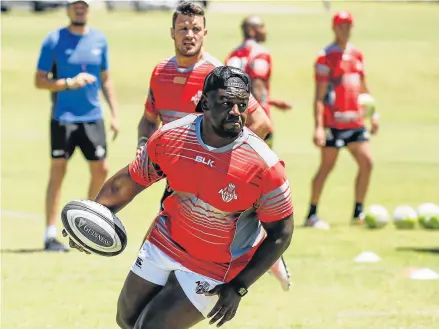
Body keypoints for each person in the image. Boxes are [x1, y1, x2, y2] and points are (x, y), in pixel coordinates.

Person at [66, 66, 295, 329]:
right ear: (205, 103)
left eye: (242, 105)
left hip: (216, 267)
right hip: (165, 243)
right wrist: (88, 223)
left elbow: (281, 233)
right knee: (126, 320)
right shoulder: (171, 137)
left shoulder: (264, 166)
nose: (235, 112)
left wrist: (239, 286)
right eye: (226, 103)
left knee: (150, 327)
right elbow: (125, 184)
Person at [136, 2, 290, 290]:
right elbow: (147, 120)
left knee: (163, 247)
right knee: (162, 249)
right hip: (177, 175)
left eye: (195, 29)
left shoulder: (217, 74)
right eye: (183, 28)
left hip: (205, 178)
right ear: (172, 32)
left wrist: (223, 159)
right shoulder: (160, 72)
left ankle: (259, 248)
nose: (189, 34)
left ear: (205, 32)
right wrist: (143, 144)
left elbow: (261, 122)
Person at [35, 0, 120, 251]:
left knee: (101, 169)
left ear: (88, 9)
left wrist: (115, 114)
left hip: (93, 117)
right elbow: (40, 81)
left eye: (83, 5)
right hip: (63, 118)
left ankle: (85, 225)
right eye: (75, 5)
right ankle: (50, 234)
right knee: (58, 172)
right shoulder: (53, 40)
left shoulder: (99, 40)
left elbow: (106, 79)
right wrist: (70, 82)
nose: (79, 9)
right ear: (68, 9)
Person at [305, 11, 379, 230]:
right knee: (327, 167)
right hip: (333, 124)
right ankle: (312, 213)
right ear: (334, 28)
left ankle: (358, 212)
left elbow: (364, 88)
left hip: (355, 123)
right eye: (341, 26)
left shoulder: (357, 55)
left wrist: (374, 114)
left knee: (367, 162)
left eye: (348, 25)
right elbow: (319, 96)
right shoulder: (325, 57)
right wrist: (319, 127)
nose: (345, 29)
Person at [225, 15, 292, 149]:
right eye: (261, 27)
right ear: (251, 31)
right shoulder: (260, 54)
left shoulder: (233, 54)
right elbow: (257, 90)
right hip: (257, 121)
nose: (265, 31)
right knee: (263, 166)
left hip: (235, 120)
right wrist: (262, 118)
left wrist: (272, 101)